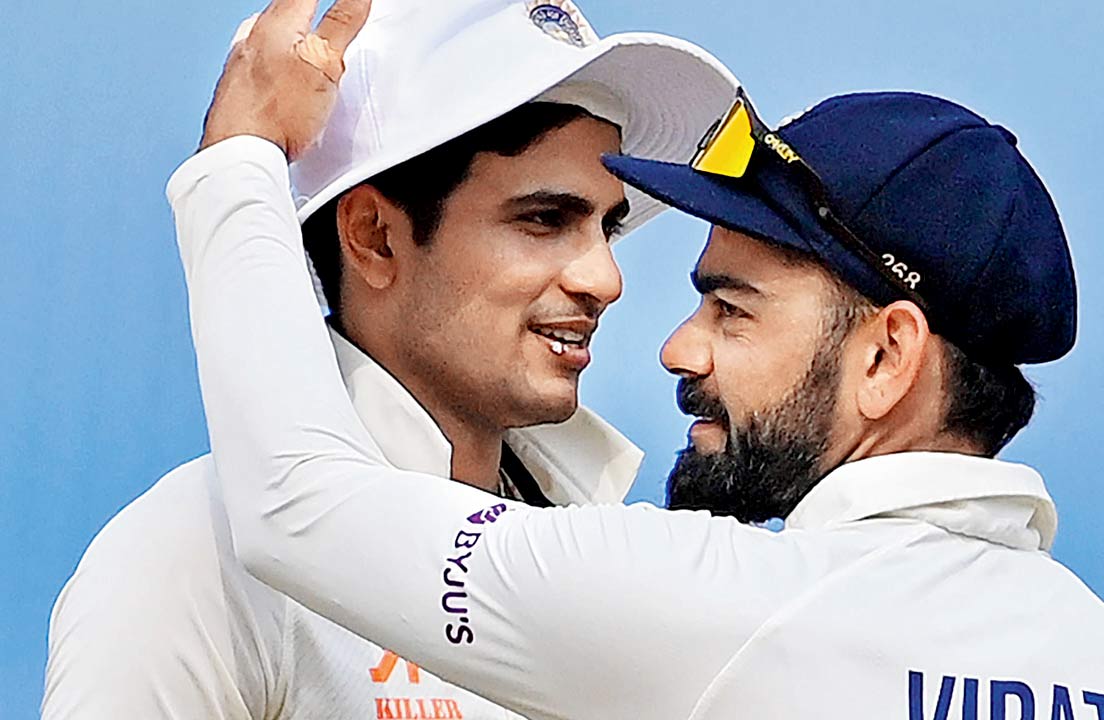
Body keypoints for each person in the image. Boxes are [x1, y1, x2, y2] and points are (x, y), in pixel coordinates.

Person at [173, 1, 1104, 718]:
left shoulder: (731, 609)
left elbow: (299, 509)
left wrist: (237, 164)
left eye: (731, 306)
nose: (675, 342)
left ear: (888, 357)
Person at [41, 0, 736, 718]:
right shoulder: (193, 554)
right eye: (544, 219)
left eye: (607, 227)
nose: (604, 279)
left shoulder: (600, 544)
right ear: (374, 236)